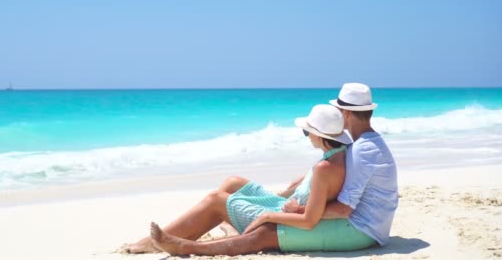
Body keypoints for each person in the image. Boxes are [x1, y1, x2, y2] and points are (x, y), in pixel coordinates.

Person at [148, 83, 398, 255]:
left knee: (264, 230)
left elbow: (343, 208)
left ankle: (182, 246)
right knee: (234, 185)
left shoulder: (362, 150)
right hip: (365, 223)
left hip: (361, 229)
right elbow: (333, 175)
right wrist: (293, 192)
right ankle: (159, 241)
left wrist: (288, 210)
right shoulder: (359, 145)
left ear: (345, 113)